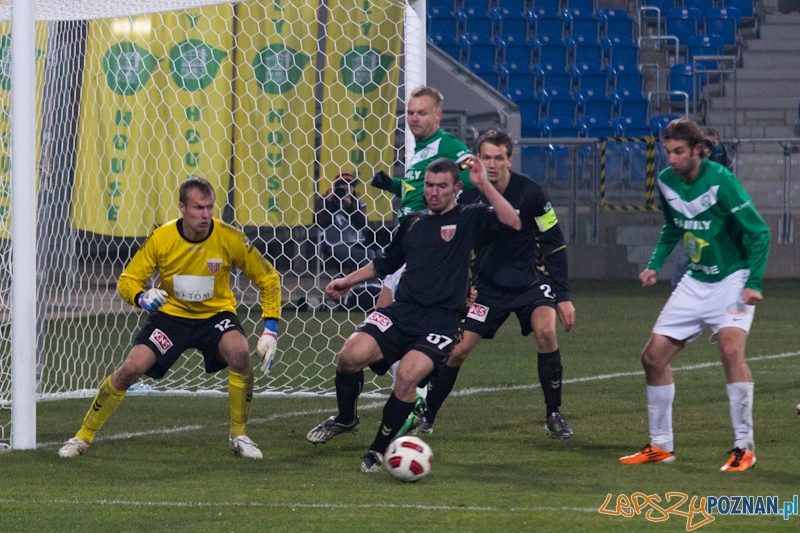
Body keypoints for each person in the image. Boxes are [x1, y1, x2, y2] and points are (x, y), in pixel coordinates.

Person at [306, 157, 521, 472]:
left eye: (442, 186)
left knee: (407, 377)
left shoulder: (470, 219)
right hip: (402, 312)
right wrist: (347, 282)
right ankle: (347, 418)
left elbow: (513, 221)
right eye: (430, 186)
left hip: (442, 321)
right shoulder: (414, 223)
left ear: (457, 188)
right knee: (349, 356)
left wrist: (484, 185)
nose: (434, 192)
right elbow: (386, 263)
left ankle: (377, 451)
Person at [58, 176, 282, 459]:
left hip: (216, 316)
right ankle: (82, 437)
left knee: (240, 353)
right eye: (198, 208)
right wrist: (141, 297)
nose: (206, 215)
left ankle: (239, 435)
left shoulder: (230, 237)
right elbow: (128, 280)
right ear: (182, 207)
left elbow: (268, 278)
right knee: (131, 368)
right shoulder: (162, 238)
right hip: (171, 317)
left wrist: (270, 329)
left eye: (210, 207)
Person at [619, 118, 770, 472]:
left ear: (698, 151)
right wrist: (654, 264)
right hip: (695, 280)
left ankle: (743, 447)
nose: (670, 159)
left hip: (733, 278)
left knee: (731, 349)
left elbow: (760, 232)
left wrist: (755, 282)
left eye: (678, 152)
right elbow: (673, 226)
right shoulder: (667, 182)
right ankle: (661, 446)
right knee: (653, 358)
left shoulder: (722, 180)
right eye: (667, 151)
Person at [408, 130, 577, 439]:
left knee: (546, 331)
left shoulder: (532, 193)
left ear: (510, 160)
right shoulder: (468, 197)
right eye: (486, 157)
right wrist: (463, 287)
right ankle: (427, 416)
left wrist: (563, 295)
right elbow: (453, 244)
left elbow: (553, 243)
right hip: (486, 288)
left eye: (499, 158)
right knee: (456, 351)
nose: (492, 164)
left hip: (529, 283)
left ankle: (553, 413)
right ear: (477, 159)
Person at [370, 85, 475, 399]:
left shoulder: (449, 145)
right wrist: (393, 185)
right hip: (408, 242)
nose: (414, 118)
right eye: (410, 112)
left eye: (422, 112)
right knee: (384, 318)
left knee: (388, 321)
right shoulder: (421, 150)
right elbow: (418, 190)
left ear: (438, 116)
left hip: (429, 247)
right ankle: (411, 390)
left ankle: (416, 391)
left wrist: (453, 198)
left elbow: (472, 174)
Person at [672, 127, 734, 288]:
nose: (711, 147)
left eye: (713, 143)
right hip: (694, 213)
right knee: (687, 253)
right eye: (707, 143)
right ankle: (677, 288)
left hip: (717, 216)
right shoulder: (693, 161)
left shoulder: (725, 159)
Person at [315, 171, 373, 273]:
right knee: (366, 255)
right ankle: (369, 285)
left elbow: (362, 224)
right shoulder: (325, 201)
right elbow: (320, 222)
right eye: (341, 185)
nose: (344, 188)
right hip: (335, 244)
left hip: (357, 243)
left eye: (349, 185)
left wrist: (350, 207)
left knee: (376, 253)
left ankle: (376, 284)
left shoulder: (358, 203)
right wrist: (329, 202)